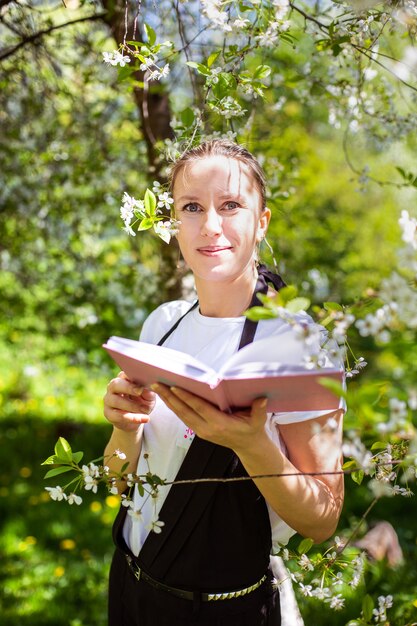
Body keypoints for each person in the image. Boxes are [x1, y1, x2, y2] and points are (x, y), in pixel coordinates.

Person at [103, 139, 345, 626]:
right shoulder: (162, 324)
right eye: (191, 207)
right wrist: (124, 428)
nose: (211, 225)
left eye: (231, 205)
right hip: (130, 589)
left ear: (262, 222)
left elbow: (322, 520)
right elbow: (118, 479)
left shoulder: (301, 346)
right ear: (173, 223)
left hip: (227, 609)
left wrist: (252, 444)